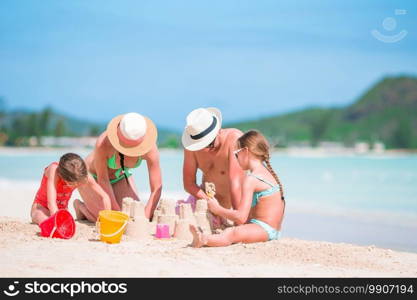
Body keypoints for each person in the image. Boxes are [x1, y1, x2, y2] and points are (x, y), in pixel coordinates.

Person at [189, 130, 285, 247]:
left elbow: (241, 217)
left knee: (231, 233)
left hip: (263, 229)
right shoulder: (266, 173)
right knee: (235, 231)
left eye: (236, 154)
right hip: (270, 228)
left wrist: (217, 209)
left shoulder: (251, 179)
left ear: (245, 151)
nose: (236, 159)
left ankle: (203, 240)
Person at [75, 112, 162, 221]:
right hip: (91, 177)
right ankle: (80, 206)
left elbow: (157, 187)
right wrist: (117, 212)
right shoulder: (103, 143)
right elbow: (103, 180)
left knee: (134, 214)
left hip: (119, 177)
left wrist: (146, 216)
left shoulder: (150, 149)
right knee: (104, 218)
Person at [181, 107, 245, 226]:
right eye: (200, 145)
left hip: (238, 206)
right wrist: (209, 202)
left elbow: (236, 183)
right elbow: (188, 184)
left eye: (209, 143)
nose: (205, 149)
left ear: (219, 130)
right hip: (207, 201)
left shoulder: (234, 139)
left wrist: (237, 219)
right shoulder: (191, 148)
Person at [30, 153, 109, 224]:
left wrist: (107, 217)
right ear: (62, 176)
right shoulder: (54, 170)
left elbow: (104, 196)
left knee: (96, 220)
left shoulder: (82, 175)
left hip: (61, 210)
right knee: (45, 221)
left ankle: (80, 206)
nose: (76, 185)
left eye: (78, 183)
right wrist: (56, 220)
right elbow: (51, 203)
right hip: (41, 207)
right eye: (72, 184)